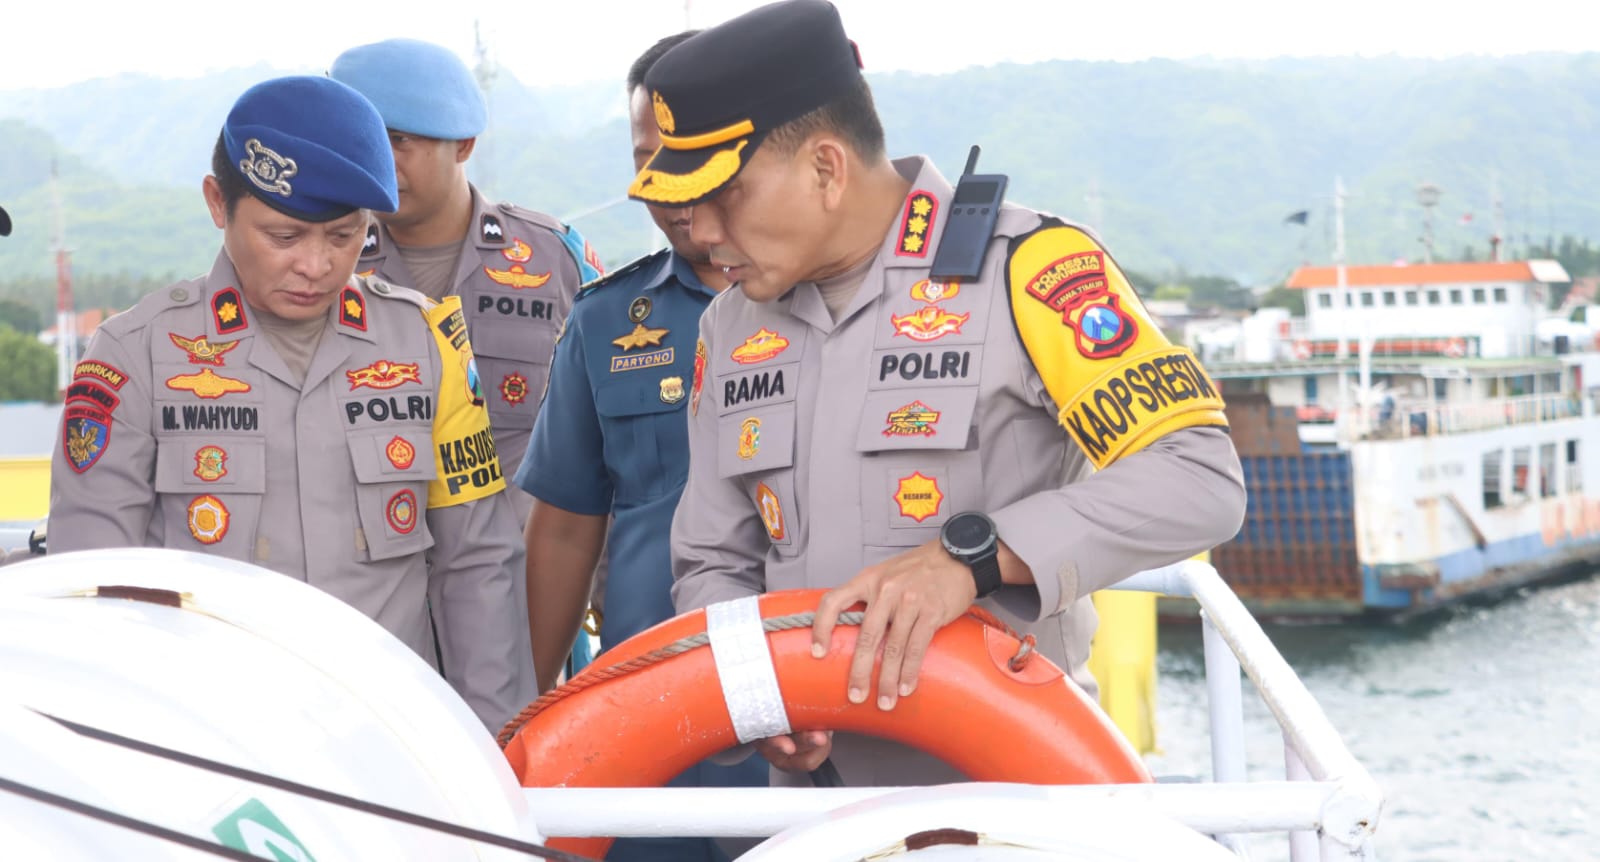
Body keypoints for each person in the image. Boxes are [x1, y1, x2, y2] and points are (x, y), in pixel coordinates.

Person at [636, 0, 1247, 787]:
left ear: (826, 168)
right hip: (815, 810)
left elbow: (1199, 477)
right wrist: (760, 701)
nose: (702, 231)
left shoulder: (1028, 270)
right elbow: (713, 557)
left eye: (726, 195)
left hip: (1013, 793)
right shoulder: (729, 324)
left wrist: (974, 559)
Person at [46, 76, 536, 732]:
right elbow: (93, 584)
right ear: (218, 203)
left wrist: (501, 755)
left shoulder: (428, 345)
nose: (315, 265)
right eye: (284, 237)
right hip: (207, 745)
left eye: (343, 237)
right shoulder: (135, 354)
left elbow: (477, 567)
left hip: (391, 743)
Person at [515, 32, 766, 862]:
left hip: (802, 719)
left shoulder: (837, 311)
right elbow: (564, 525)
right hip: (647, 720)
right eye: (645, 158)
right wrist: (532, 708)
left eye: (685, 156)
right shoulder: (604, 322)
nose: (666, 184)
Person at [330, 39, 604, 525]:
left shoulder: (553, 258)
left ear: (463, 145)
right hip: (385, 571)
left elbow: (608, 427)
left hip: (527, 570)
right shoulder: (327, 267)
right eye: (364, 139)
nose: (381, 159)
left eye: (400, 140)